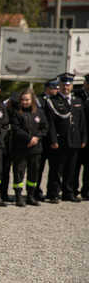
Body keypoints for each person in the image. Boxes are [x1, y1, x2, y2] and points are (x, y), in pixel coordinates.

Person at [44, 72, 87, 202]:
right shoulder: (53, 101)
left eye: (68, 85)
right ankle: (53, 193)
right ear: (59, 86)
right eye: (63, 85)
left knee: (71, 168)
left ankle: (68, 192)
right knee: (57, 168)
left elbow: (82, 122)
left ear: (72, 86)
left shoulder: (77, 101)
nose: (65, 88)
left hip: (74, 140)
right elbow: (50, 123)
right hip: (60, 140)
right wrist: (53, 140)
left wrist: (84, 138)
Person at [8, 88, 48, 206]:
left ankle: (30, 196)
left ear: (32, 100)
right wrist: (29, 138)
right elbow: (16, 128)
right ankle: (19, 196)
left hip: (35, 148)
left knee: (33, 173)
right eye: (23, 100)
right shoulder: (16, 112)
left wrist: (36, 137)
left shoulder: (39, 112)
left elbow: (45, 127)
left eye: (27, 100)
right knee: (19, 172)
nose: (25, 102)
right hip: (21, 148)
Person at [34, 78, 59, 201]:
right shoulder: (39, 100)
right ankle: (35, 191)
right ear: (47, 89)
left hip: (55, 140)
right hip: (42, 139)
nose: (56, 90)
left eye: (56, 88)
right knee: (38, 168)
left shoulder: (58, 100)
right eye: (53, 88)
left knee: (55, 168)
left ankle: (53, 192)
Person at [72, 74, 89, 200]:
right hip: (78, 134)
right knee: (75, 164)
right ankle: (72, 189)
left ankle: (86, 190)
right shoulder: (77, 94)